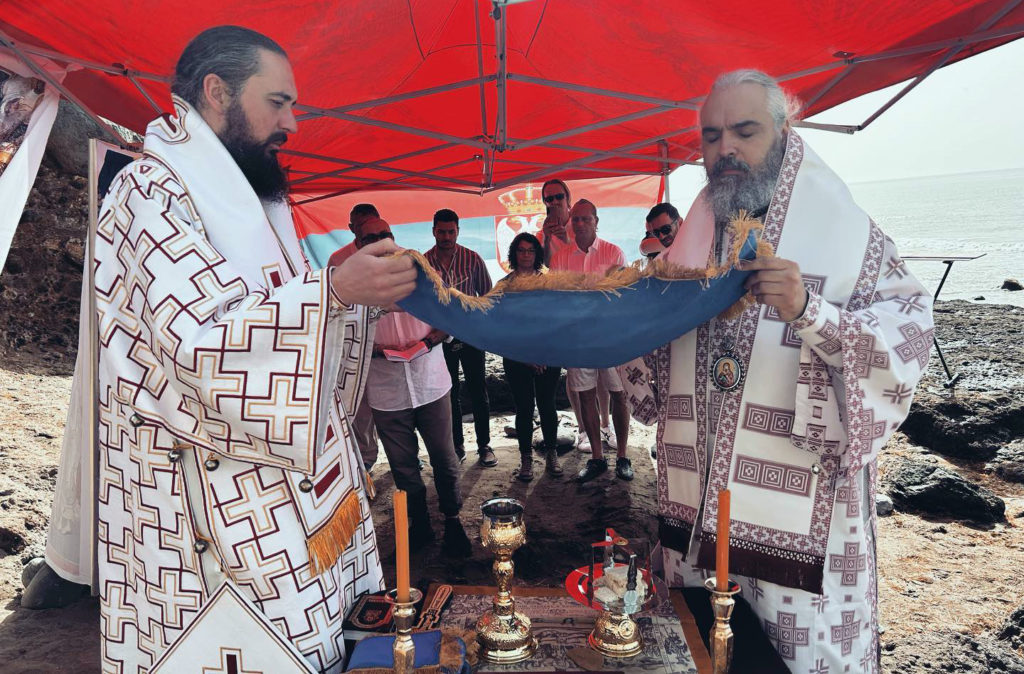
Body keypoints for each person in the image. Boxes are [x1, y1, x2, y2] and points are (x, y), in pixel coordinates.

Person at [89, 26, 419, 673]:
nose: (291, 123)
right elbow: (196, 347)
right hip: (209, 510)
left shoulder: (252, 197)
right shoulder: (150, 193)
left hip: (290, 493)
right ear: (217, 92)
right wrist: (331, 293)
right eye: (278, 102)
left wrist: (348, 294)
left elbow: (274, 302)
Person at [623, 69, 933, 673]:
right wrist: (620, 317)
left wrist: (810, 311)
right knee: (701, 651)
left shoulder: (846, 231)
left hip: (799, 538)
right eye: (711, 136)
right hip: (696, 514)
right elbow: (653, 370)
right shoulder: (691, 241)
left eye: (744, 131)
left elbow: (911, 335)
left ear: (785, 132)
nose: (725, 150)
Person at [364, 217, 473, 557]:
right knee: (403, 467)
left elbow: (448, 322)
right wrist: (375, 351)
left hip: (430, 383)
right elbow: (346, 338)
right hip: (386, 392)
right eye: (371, 237)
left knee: (445, 458)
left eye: (385, 234)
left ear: (393, 236)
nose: (380, 242)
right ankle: (420, 523)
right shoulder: (352, 289)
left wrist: (426, 343)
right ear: (358, 243)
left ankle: (453, 520)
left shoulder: (423, 275)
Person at [549, 200, 633, 483]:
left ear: (597, 221)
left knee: (619, 394)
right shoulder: (560, 258)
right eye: (576, 219)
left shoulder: (614, 252)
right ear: (570, 223)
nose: (580, 224)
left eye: (586, 219)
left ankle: (622, 456)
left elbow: (623, 296)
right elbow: (557, 300)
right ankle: (597, 457)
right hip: (578, 339)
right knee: (585, 395)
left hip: (611, 337)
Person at [424, 208, 495, 466]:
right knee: (448, 392)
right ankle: (456, 446)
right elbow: (422, 303)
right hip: (439, 338)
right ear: (433, 231)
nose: (446, 237)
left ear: (458, 231)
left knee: (478, 389)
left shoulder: (472, 258)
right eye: (441, 232)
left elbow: (487, 296)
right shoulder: (423, 263)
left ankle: (484, 445)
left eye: (450, 232)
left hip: (471, 335)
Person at [496, 232, 564, 481]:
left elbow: (557, 323)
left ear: (537, 254)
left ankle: (552, 453)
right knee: (524, 408)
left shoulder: (549, 283)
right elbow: (500, 328)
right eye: (521, 250)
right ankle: (526, 459)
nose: (526, 255)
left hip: (548, 355)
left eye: (530, 250)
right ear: (514, 254)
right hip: (516, 357)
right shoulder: (503, 286)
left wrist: (542, 353)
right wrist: (525, 356)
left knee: (547, 405)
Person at [327, 202, 379, 267]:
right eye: (361, 225)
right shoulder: (337, 259)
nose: (367, 228)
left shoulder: (389, 249)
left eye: (371, 223)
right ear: (351, 228)